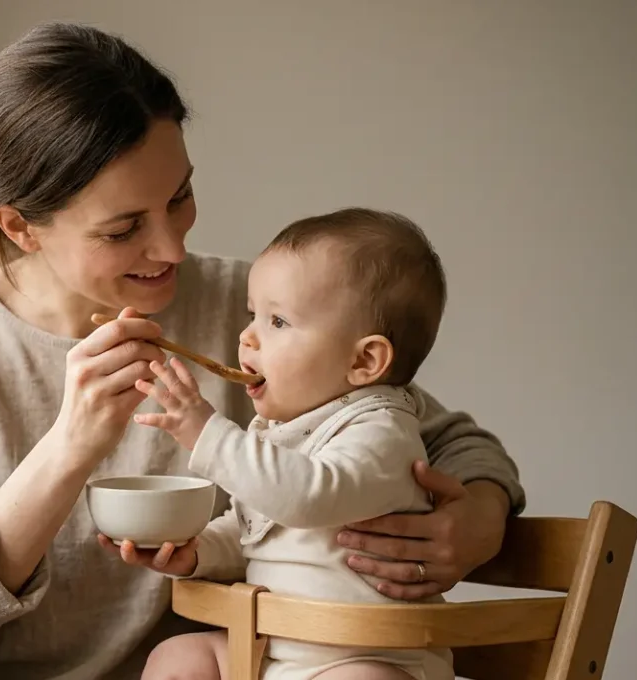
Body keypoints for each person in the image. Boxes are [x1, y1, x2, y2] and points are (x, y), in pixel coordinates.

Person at [0, 21, 524, 679]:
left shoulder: (257, 312)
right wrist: (71, 444)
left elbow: (436, 434)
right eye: (124, 229)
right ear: (18, 226)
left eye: (179, 197)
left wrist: (483, 515)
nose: (173, 249)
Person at [134, 208, 456, 680]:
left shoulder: (382, 431)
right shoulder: (288, 431)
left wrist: (208, 432)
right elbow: (257, 529)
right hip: (272, 655)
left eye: (278, 322)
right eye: (252, 315)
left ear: (365, 360)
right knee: (178, 659)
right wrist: (199, 551)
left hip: (366, 659)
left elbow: (307, 497)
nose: (246, 336)